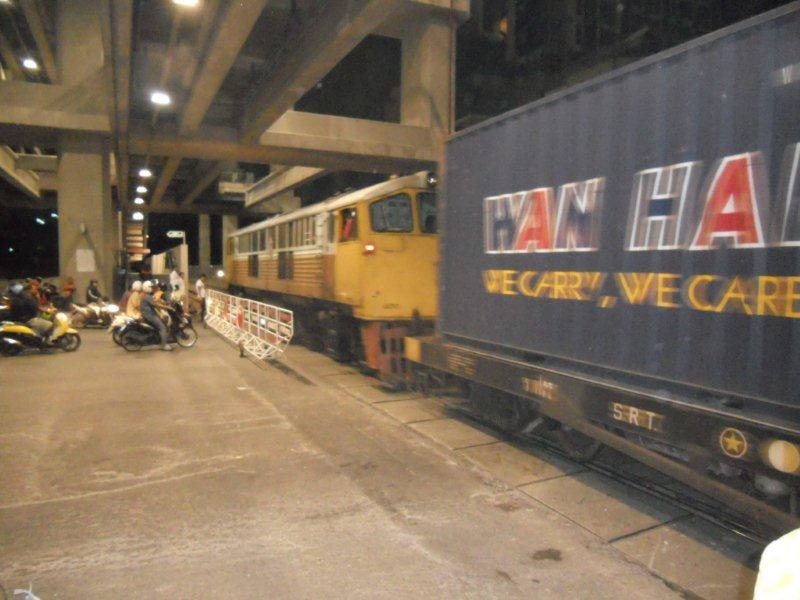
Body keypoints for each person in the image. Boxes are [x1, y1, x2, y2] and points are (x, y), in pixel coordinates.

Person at [140, 280, 172, 351]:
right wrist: (167, 307)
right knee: (163, 327)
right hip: (150, 315)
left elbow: (156, 300)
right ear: (147, 288)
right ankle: (163, 345)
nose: (152, 288)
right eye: (151, 287)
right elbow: (156, 304)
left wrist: (164, 302)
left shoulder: (145, 295)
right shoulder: (147, 296)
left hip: (148, 314)